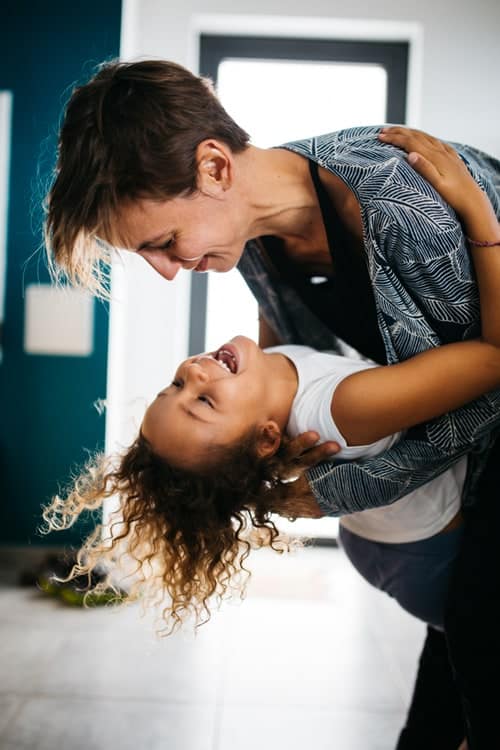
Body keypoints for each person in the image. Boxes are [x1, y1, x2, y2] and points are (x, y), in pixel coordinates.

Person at [44, 59, 500, 749]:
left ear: (215, 168)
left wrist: (337, 487)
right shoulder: (256, 240)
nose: (166, 271)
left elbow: (486, 398)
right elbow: (293, 350)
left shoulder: (408, 207)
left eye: (163, 243)